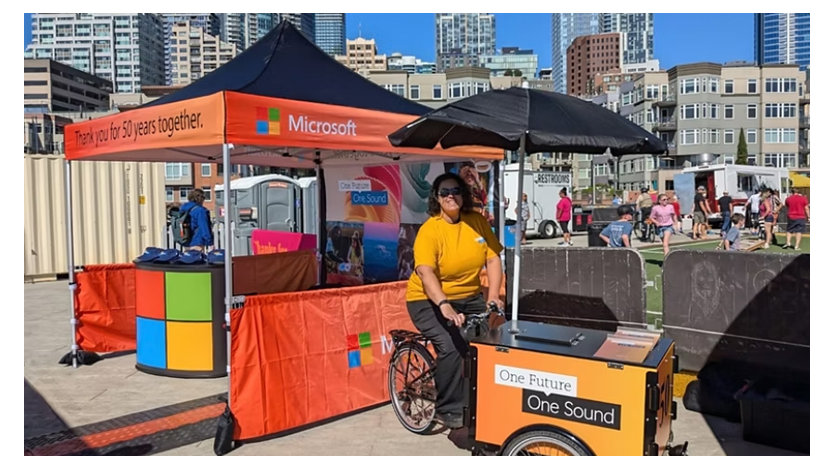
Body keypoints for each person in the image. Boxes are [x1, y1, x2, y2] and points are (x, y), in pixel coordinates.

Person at [406, 172, 503, 429]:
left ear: (464, 194)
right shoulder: (430, 231)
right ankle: (447, 410)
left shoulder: (476, 222)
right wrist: (444, 304)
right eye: (444, 192)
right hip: (427, 299)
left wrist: (493, 296)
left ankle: (480, 398)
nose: (451, 196)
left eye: (456, 191)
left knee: (485, 344)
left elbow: (493, 259)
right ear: (436, 199)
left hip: (469, 297)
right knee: (450, 345)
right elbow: (426, 273)